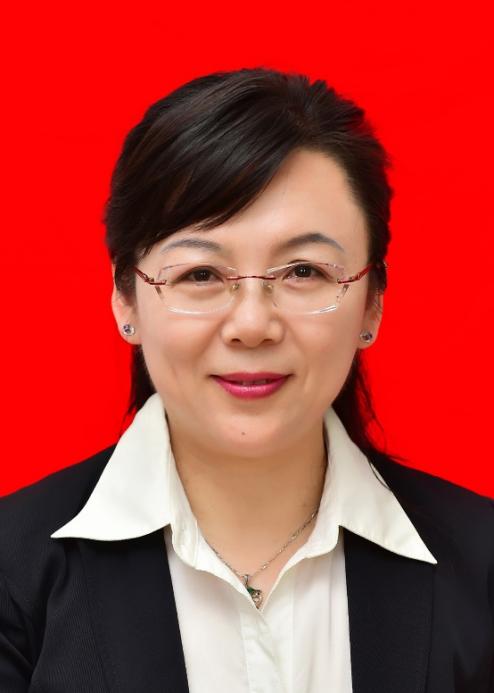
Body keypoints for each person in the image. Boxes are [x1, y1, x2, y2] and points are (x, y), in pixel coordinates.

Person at [0, 68, 493, 693]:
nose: (253, 325)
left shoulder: (482, 564)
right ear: (126, 299)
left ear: (372, 302)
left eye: (304, 271)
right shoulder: (13, 573)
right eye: (201, 275)